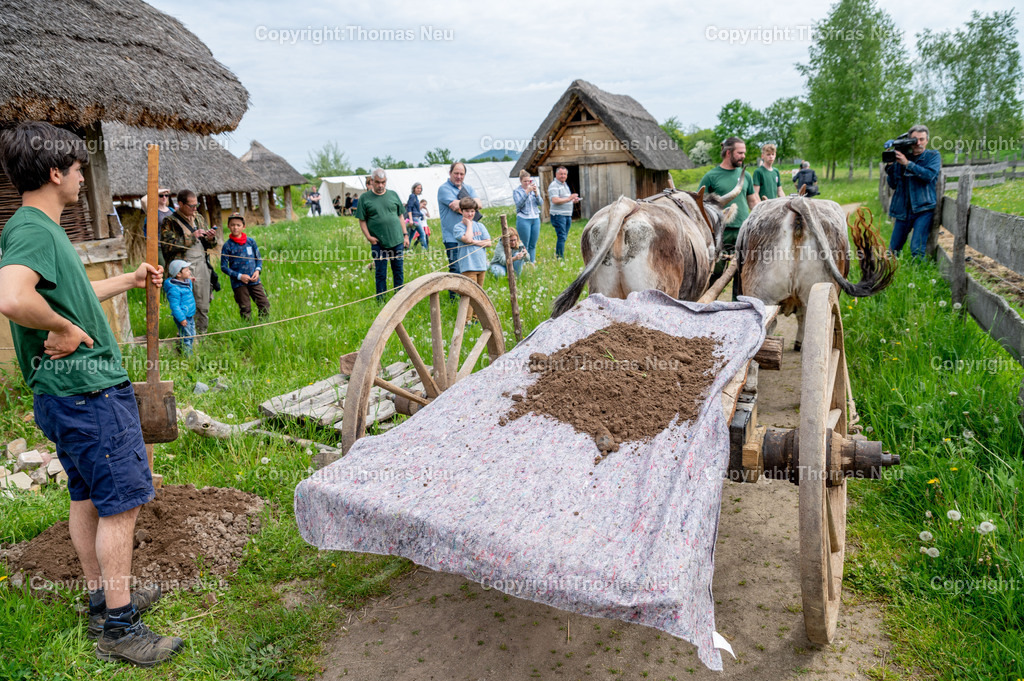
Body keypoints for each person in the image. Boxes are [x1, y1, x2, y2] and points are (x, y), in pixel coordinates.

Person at [0, 121, 180, 667]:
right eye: (78, 169)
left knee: (86, 497)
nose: (82, 178)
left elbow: (73, 296)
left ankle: (103, 599)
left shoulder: (39, 229)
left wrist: (126, 281)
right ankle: (121, 630)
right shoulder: (33, 230)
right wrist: (61, 330)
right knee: (122, 505)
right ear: (56, 173)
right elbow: (11, 297)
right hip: (89, 393)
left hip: (66, 397)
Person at [160, 190, 217, 336]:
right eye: (191, 206)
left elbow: (208, 245)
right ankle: (186, 336)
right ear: (180, 204)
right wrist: (191, 237)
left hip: (201, 263)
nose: (195, 209)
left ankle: (202, 334)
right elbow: (167, 246)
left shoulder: (198, 217)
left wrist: (210, 238)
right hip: (182, 268)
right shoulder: (169, 221)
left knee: (203, 302)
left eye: (196, 205)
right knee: (185, 303)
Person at [885, 125, 941, 259]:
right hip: (903, 210)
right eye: (915, 140)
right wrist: (890, 166)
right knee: (893, 250)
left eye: (922, 139)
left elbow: (928, 176)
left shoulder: (933, 156)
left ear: (927, 140)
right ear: (909, 140)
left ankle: (918, 276)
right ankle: (889, 274)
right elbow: (893, 184)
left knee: (917, 248)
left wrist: (907, 164)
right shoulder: (902, 157)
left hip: (923, 209)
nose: (918, 143)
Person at [357, 168, 409, 302]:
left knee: (398, 271)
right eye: (378, 182)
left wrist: (405, 235)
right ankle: (381, 301)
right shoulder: (365, 198)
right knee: (380, 273)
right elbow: (362, 220)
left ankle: (399, 301)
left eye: (383, 182)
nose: (381, 185)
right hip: (378, 243)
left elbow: (400, 216)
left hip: (397, 240)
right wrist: (369, 237)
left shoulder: (393, 195)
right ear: (372, 181)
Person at [438, 161, 482, 298]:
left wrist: (464, 204)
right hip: (452, 237)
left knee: (469, 268)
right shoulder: (444, 189)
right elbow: (456, 207)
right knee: (456, 268)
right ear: (450, 173)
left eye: (461, 174)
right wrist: (469, 204)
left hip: (470, 236)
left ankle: (467, 297)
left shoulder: (468, 187)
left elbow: (479, 204)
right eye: (456, 173)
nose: (459, 176)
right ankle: (454, 299)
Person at [220, 213, 270, 320]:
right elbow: (223, 267)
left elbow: (258, 259)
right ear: (228, 226)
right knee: (245, 308)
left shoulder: (250, 242)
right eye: (232, 225)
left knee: (264, 304)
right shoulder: (227, 246)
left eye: (238, 225)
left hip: (254, 280)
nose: (235, 227)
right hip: (239, 283)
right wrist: (239, 276)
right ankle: (248, 331)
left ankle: (262, 327)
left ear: (244, 226)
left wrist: (257, 271)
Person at [454, 196, 491, 320]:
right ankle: (466, 320)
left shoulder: (480, 226)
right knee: (470, 294)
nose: (470, 214)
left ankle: (476, 317)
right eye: (467, 211)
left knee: (479, 294)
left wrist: (474, 242)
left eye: (472, 211)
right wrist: (469, 224)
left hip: (481, 265)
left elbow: (489, 242)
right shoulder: (458, 227)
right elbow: (467, 239)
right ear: (461, 211)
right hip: (468, 266)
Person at [163, 259, 197, 354]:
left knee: (192, 334)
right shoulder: (174, 289)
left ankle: (187, 350)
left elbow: (186, 287)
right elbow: (175, 306)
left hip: (189, 315)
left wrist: (190, 280)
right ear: (178, 274)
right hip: (183, 316)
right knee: (186, 337)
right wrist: (181, 318)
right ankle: (187, 356)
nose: (189, 271)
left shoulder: (184, 282)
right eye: (186, 270)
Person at [547, 166, 579, 259]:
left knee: (564, 236)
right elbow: (555, 200)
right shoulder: (554, 185)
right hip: (558, 215)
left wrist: (573, 200)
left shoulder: (565, 185)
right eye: (561, 174)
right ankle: (559, 257)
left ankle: (559, 255)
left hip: (567, 214)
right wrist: (569, 198)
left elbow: (565, 199)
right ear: (556, 174)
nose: (563, 176)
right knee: (561, 236)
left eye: (565, 174)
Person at [512, 169, 542, 264]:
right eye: (525, 181)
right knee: (525, 244)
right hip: (524, 219)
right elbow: (519, 204)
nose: (527, 183)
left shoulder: (534, 189)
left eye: (529, 181)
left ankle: (531, 263)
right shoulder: (517, 191)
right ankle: (523, 263)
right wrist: (527, 192)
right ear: (520, 181)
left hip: (535, 218)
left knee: (533, 244)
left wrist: (536, 193)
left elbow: (541, 203)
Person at [405, 182, 427, 249]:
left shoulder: (416, 197)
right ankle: (425, 249)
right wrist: (411, 219)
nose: (419, 190)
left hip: (417, 217)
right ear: (414, 188)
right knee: (422, 233)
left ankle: (406, 249)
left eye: (420, 188)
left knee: (411, 234)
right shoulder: (412, 196)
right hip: (414, 218)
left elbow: (416, 209)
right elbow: (409, 208)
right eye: (417, 188)